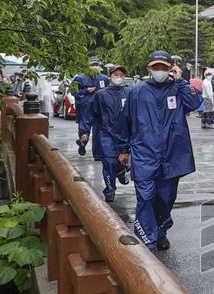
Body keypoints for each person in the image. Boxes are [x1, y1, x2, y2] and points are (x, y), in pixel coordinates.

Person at [119, 51, 201, 250]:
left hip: (172, 155)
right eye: (156, 67)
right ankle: (147, 240)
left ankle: (161, 230)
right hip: (144, 154)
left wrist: (181, 81)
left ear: (171, 69)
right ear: (149, 68)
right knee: (145, 197)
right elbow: (124, 122)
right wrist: (123, 149)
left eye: (164, 68)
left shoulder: (177, 89)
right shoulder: (136, 92)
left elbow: (195, 103)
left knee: (166, 199)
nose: (159, 71)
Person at [91, 64, 132, 202]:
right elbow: (92, 113)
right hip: (107, 134)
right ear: (110, 76)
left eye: (121, 75)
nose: (119, 77)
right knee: (109, 162)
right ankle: (110, 191)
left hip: (125, 133)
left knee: (121, 160)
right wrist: (84, 131)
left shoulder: (129, 93)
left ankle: (121, 171)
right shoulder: (101, 94)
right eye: (116, 75)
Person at [73, 56, 110, 157]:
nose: (95, 66)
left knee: (98, 130)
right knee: (84, 128)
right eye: (93, 65)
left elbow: (109, 91)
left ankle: (97, 153)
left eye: (96, 64)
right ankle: (82, 143)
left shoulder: (104, 78)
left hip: (99, 108)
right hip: (84, 107)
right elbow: (73, 91)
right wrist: (85, 91)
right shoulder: (80, 78)